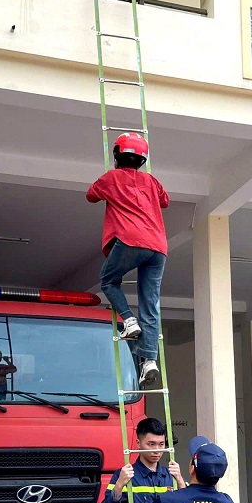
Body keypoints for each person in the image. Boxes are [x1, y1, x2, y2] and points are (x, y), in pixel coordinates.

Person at [87, 132, 170, 390]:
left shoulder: (111, 178)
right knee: (150, 304)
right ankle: (149, 361)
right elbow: (165, 201)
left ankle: (129, 321)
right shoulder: (152, 181)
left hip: (130, 240)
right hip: (157, 246)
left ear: (116, 156)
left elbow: (91, 195)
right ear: (142, 159)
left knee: (109, 281)